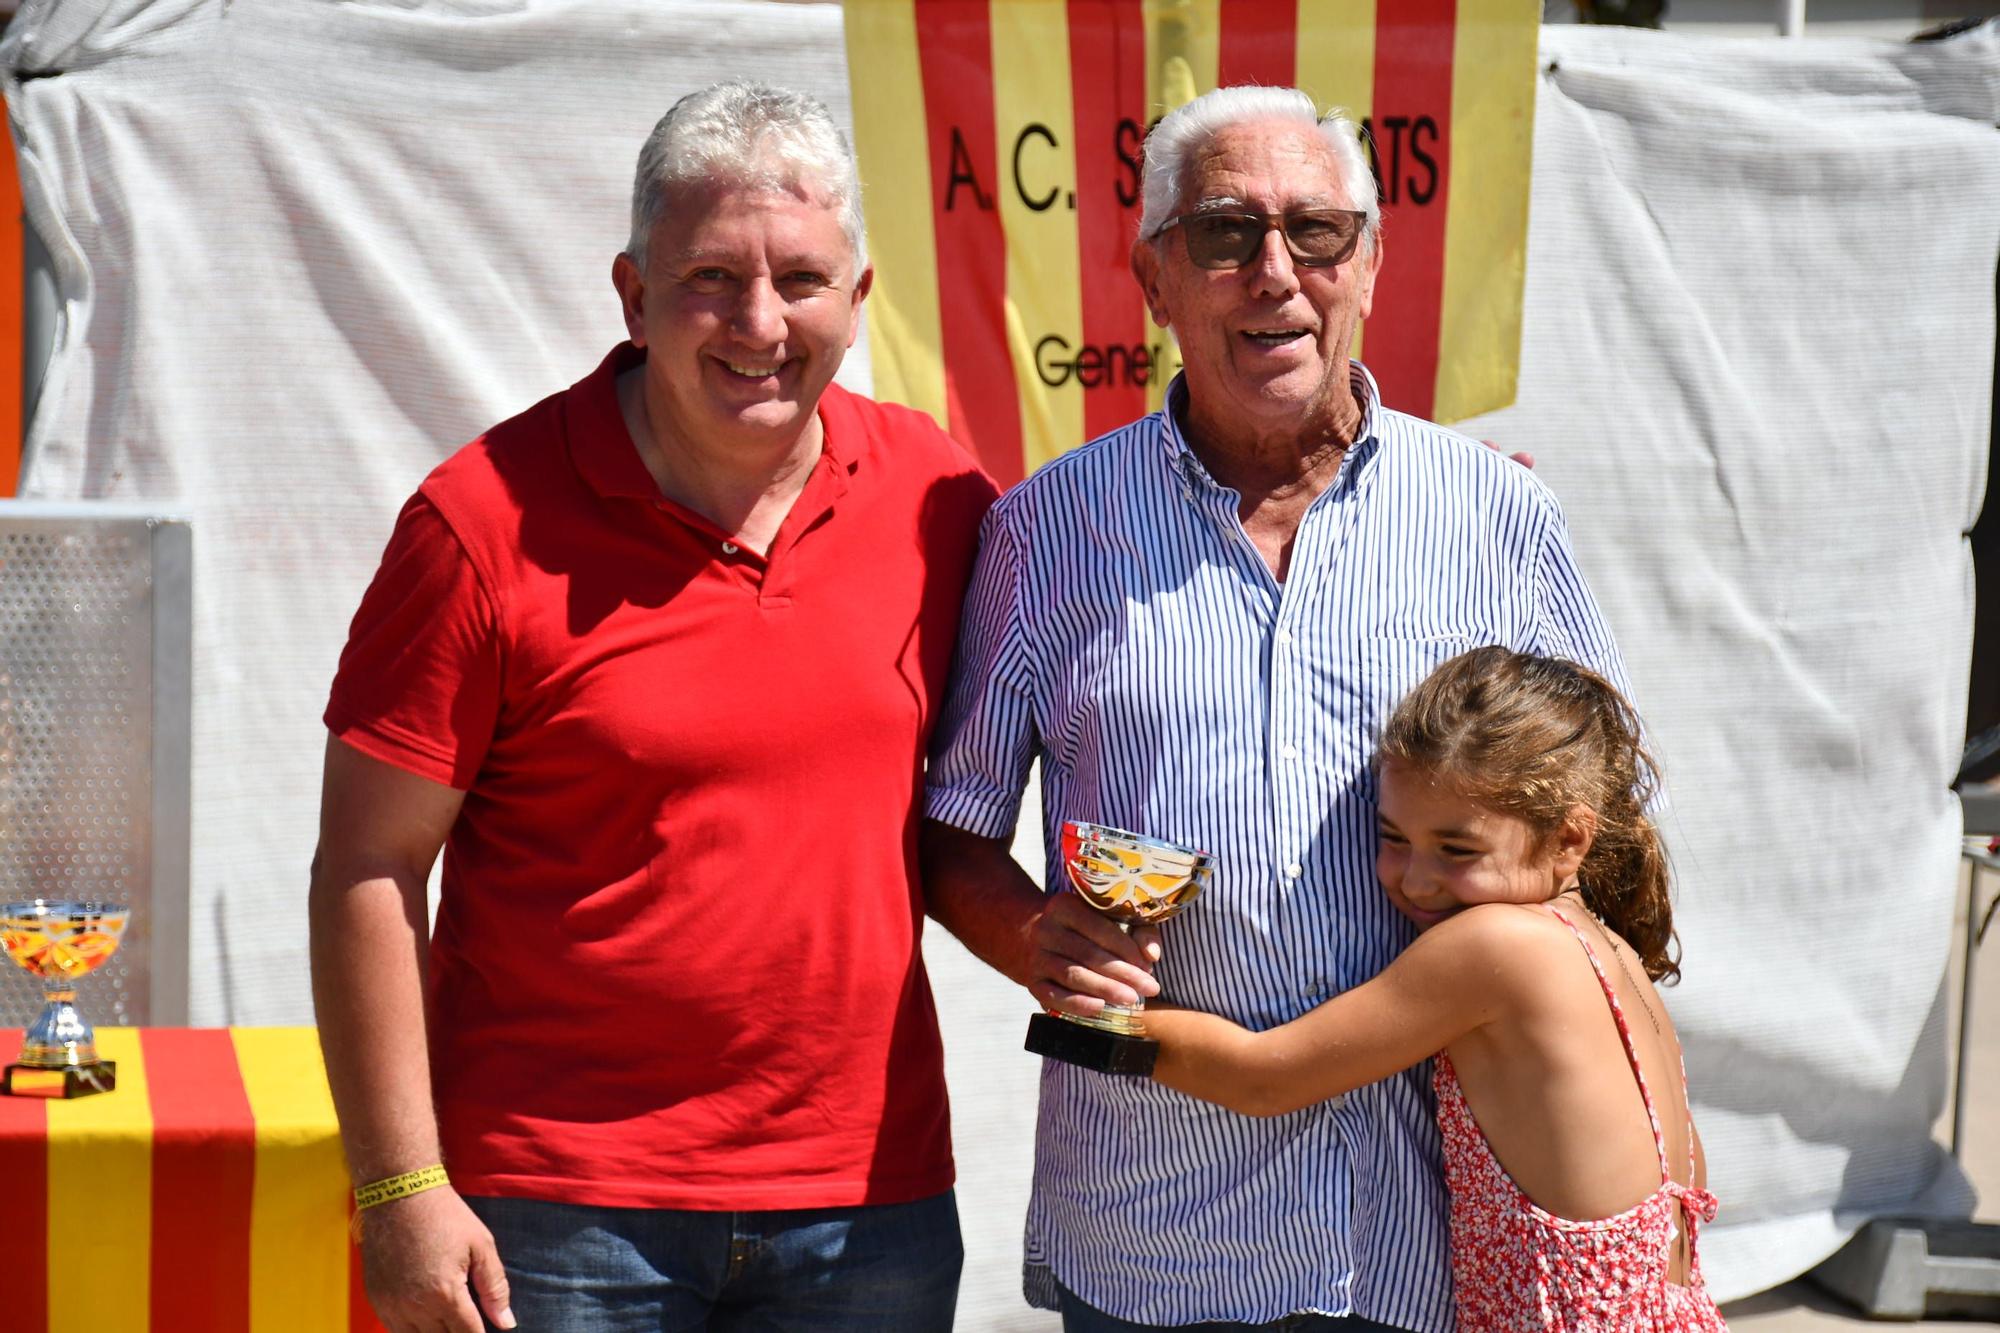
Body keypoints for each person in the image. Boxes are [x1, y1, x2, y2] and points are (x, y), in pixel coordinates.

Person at [920, 84, 1635, 1331]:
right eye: (1222, 233)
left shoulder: (1493, 516)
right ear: (1152, 277)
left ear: (1367, 264)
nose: (1274, 273)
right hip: (1153, 1226)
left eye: (1315, 232)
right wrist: (1037, 938)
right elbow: (952, 828)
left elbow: (1609, 816)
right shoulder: (1047, 530)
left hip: (1430, 1224)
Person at [310, 82, 996, 1333]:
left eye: (798, 278)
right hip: (555, 1214)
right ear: (631, 294)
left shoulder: (940, 498)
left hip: (867, 1208)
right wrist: (399, 1187)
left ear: (858, 295)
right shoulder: (478, 524)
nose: (757, 321)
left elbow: (974, 805)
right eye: (708, 279)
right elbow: (366, 865)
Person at [1144, 648, 1728, 1331]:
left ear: (1569, 838)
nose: (1415, 880)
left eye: (1457, 850)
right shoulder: (1610, 950)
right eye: (1393, 837)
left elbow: (1265, 1080)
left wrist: (1092, 1017)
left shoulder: (1495, 946)